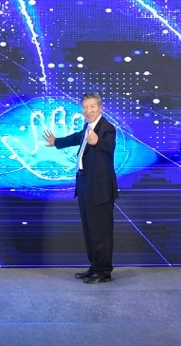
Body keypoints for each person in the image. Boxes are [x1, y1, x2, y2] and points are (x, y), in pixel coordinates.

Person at [45, 92, 118, 284]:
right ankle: (94, 267)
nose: (88, 110)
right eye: (85, 107)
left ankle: (103, 271)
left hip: (100, 189)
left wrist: (97, 142)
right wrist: (56, 142)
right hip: (85, 184)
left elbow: (109, 146)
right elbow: (77, 137)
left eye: (92, 106)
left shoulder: (107, 128)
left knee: (101, 231)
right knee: (90, 229)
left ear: (100, 108)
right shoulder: (88, 127)